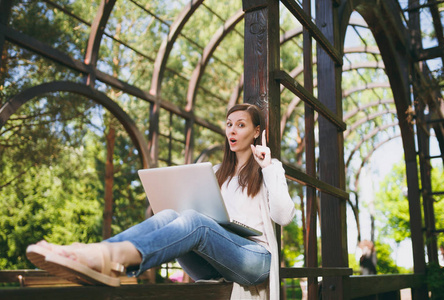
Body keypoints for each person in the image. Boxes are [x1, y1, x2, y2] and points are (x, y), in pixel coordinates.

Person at [26, 103, 295, 299]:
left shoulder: (270, 168)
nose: (232, 130)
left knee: (195, 222)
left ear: (256, 131)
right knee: (169, 215)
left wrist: (268, 167)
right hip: (216, 260)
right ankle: (95, 254)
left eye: (241, 124)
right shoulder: (216, 173)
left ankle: (109, 258)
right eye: (229, 124)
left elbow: (284, 216)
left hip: (255, 259)